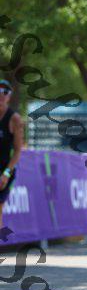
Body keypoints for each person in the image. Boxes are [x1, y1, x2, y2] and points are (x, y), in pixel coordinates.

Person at [0, 79, 24, 228]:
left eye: (5, 92)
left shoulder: (14, 119)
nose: (1, 95)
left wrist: (6, 173)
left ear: (9, 96)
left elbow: (18, 151)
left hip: (4, 170)